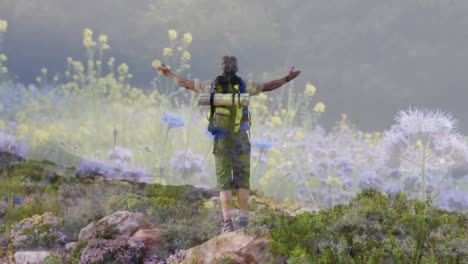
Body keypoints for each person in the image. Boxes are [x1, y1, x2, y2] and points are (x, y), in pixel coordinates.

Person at [155, 56, 300, 232]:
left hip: (221, 138)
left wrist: (169, 74)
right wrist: (287, 78)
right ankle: (244, 219)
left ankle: (227, 222)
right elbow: (269, 86)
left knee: (224, 182)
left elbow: (186, 84)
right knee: (242, 181)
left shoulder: (212, 85)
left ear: (221, 68)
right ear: (236, 68)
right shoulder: (245, 85)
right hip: (240, 138)